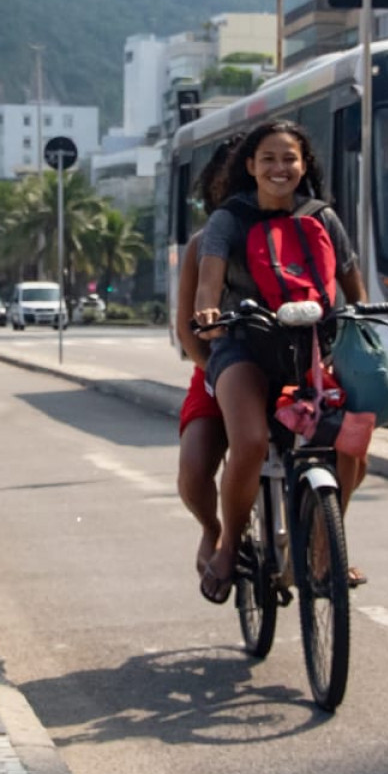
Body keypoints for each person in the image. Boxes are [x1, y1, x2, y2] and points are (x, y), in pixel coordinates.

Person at [191, 119, 367, 605]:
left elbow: (353, 286)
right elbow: (209, 281)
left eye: (289, 158)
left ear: (304, 163)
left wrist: (362, 320)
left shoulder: (323, 217)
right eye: (268, 159)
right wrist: (208, 311)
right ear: (250, 166)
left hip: (311, 345)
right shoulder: (229, 219)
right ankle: (229, 544)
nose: (279, 168)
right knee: (248, 441)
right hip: (244, 345)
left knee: (352, 443)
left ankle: (324, 545)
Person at [174, 132, 241, 603]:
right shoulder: (205, 242)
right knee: (196, 468)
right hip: (219, 372)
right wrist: (213, 372)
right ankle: (212, 527)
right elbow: (186, 328)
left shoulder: (301, 228)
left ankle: (324, 542)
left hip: (294, 371)